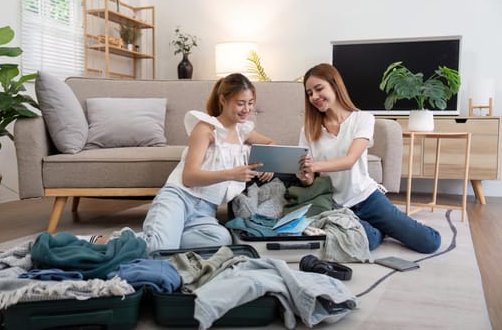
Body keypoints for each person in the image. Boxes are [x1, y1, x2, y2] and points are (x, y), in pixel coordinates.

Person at [297, 63, 441, 254]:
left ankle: (394, 223)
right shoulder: (308, 131)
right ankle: (382, 231)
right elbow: (309, 180)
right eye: (309, 93)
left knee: (429, 243)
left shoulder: (362, 119)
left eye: (319, 89)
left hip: (367, 197)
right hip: (335, 206)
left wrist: (314, 165)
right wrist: (305, 175)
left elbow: (350, 160)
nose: (314, 97)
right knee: (367, 242)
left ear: (334, 85)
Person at [140, 73, 275, 253]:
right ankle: (115, 239)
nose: (246, 109)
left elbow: (271, 144)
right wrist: (232, 174)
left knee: (222, 240)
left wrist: (269, 164)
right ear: (223, 100)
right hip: (179, 197)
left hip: (205, 211)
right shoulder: (206, 128)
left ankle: (161, 235)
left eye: (250, 103)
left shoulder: (244, 131)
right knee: (158, 249)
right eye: (240, 103)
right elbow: (189, 177)